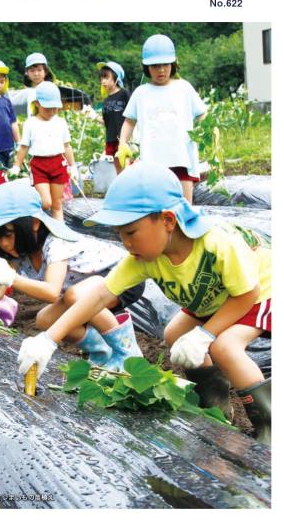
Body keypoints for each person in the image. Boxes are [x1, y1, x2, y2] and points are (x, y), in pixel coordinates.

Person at [15, 162, 271, 445]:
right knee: (174, 334)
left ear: (168, 221)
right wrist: (49, 339)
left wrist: (206, 334)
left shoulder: (217, 244)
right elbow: (99, 295)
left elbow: (246, 294)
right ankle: (216, 408)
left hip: (260, 291)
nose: (125, 242)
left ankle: (269, 427)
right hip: (213, 299)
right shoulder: (145, 258)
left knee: (224, 346)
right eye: (120, 234)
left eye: (131, 232)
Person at [0, 180, 143, 369]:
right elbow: (0, 290)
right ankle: (102, 351)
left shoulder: (55, 243)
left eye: (8, 235)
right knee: (45, 319)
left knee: (74, 295)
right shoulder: (19, 254)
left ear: (34, 223)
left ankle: (128, 353)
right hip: (85, 292)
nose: (4, 244)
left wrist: (12, 278)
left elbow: (52, 292)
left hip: (120, 277)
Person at [117, 34, 207, 203]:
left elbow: (202, 114)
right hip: (153, 162)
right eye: (155, 66)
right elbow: (129, 121)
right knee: (158, 210)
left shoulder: (184, 88)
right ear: (147, 67)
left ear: (173, 65)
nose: (161, 70)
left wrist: (207, 133)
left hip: (182, 159)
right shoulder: (141, 93)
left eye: (165, 65)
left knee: (184, 208)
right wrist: (122, 143)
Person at [9, 81, 77, 220]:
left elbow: (67, 146)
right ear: (37, 103)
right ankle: (34, 226)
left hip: (58, 163)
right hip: (39, 165)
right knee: (46, 203)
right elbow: (24, 147)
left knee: (57, 204)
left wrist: (73, 166)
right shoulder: (31, 123)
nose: (52, 112)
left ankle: (59, 235)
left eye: (55, 108)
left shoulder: (60, 123)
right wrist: (16, 166)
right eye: (48, 108)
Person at [96, 61, 130, 174]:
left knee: (126, 165)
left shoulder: (124, 93)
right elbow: (106, 122)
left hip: (124, 138)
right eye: (101, 78)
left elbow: (132, 116)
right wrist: (93, 116)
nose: (103, 81)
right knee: (118, 167)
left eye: (106, 77)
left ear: (116, 78)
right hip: (111, 138)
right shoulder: (106, 100)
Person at [8, 52, 55, 118]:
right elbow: (10, 100)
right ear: (27, 73)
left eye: (39, 70)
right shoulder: (28, 92)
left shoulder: (52, 90)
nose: (36, 74)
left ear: (46, 71)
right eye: (32, 71)